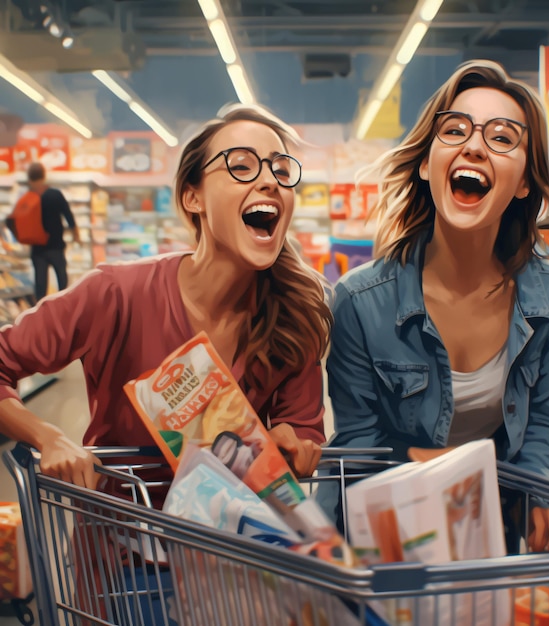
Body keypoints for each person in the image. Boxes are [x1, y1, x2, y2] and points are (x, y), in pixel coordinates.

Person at [0, 103, 332, 506]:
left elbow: (302, 432)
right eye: (242, 166)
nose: (270, 182)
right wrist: (48, 437)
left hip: (232, 553)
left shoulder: (294, 315)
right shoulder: (115, 294)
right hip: (119, 551)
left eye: (281, 170)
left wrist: (292, 444)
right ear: (194, 198)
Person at [324, 60, 549, 553]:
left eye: (503, 137)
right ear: (425, 163)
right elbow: (356, 444)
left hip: (487, 527)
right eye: (455, 129)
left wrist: (540, 492)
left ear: (524, 182)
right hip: (387, 531)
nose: (475, 145)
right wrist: (446, 467)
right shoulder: (359, 301)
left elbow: (542, 422)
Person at [24, 162, 81, 301]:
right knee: (63, 283)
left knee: (40, 288)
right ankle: (64, 311)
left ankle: (40, 317)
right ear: (44, 176)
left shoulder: (28, 197)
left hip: (37, 249)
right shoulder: (55, 194)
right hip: (56, 246)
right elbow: (68, 216)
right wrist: (76, 235)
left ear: (29, 178)